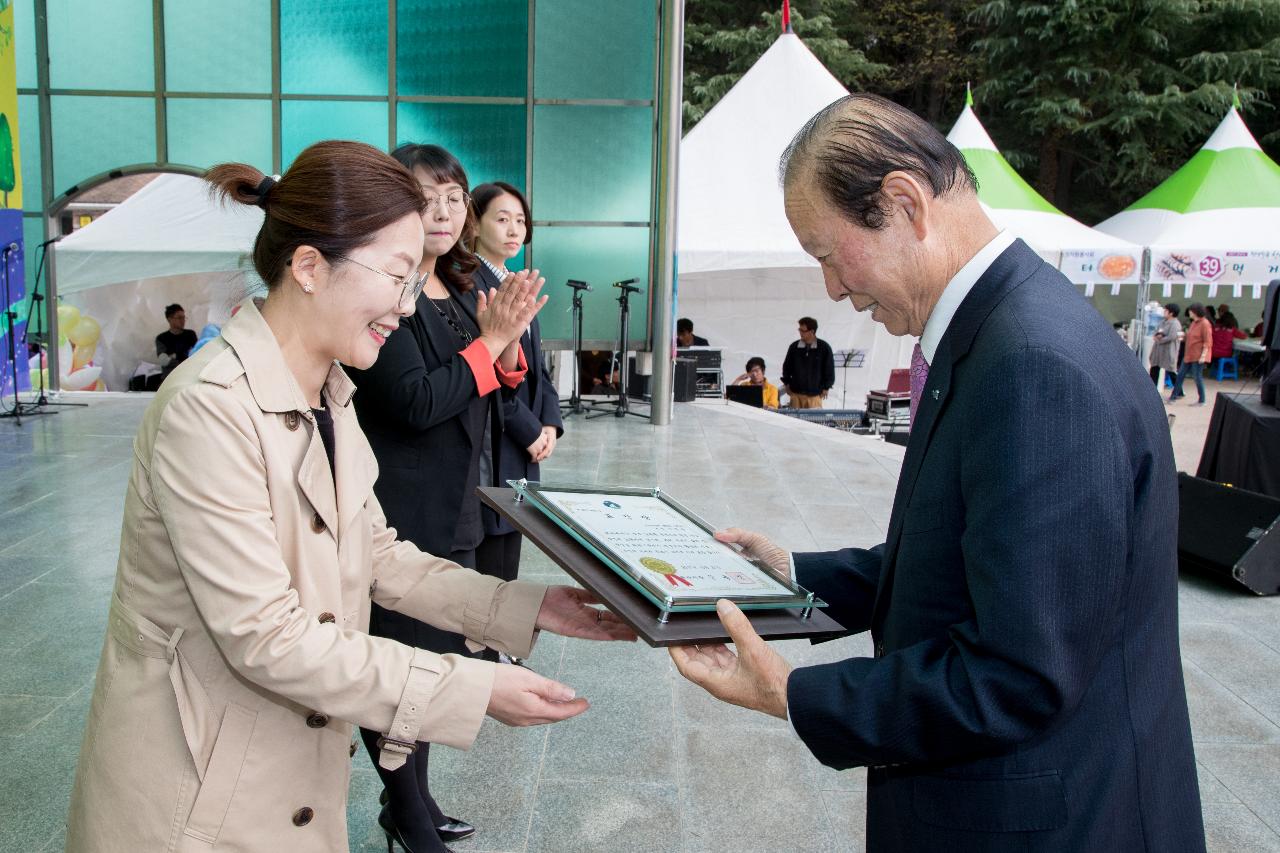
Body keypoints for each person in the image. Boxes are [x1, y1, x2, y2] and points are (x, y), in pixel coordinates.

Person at [64, 141, 637, 853]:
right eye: (396, 275)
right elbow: (266, 636)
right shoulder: (208, 408)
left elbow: (377, 552)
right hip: (195, 801)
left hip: (286, 780)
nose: (406, 305)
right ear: (308, 266)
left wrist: (523, 607)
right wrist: (471, 689)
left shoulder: (330, 392)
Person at [669, 94, 1204, 852]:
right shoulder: (1004, 331)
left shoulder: (1030, 364)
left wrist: (794, 693)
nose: (830, 288)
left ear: (903, 202)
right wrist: (789, 574)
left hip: (1047, 821)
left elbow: (1018, 671)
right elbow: (979, 554)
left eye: (827, 252)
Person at [343, 145, 549, 852]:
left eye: (454, 196)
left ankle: (414, 801)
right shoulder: (391, 293)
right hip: (405, 507)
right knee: (404, 667)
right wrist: (489, 347)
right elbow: (414, 400)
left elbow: (492, 383)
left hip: (461, 497)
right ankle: (407, 811)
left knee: (434, 664)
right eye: (426, 196)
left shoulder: (458, 290)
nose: (443, 210)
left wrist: (507, 345)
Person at [470, 181, 564, 591]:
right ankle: (490, 647)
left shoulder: (515, 281)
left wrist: (549, 423)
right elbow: (485, 371)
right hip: (498, 435)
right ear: (474, 224)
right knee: (492, 553)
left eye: (520, 220)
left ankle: (501, 649)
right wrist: (529, 430)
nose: (514, 229)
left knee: (513, 541)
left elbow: (537, 367)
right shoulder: (468, 285)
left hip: (524, 439)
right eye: (502, 219)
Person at [780, 316, 834, 408]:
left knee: (813, 421)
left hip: (815, 395)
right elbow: (787, 367)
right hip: (795, 394)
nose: (800, 333)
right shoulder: (794, 347)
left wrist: (826, 387)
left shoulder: (824, 347)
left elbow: (829, 369)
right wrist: (787, 384)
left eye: (803, 330)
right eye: (799, 330)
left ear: (812, 331)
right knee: (794, 422)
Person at [1170, 303, 1213, 405]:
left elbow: (1208, 341)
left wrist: (1203, 355)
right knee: (1180, 375)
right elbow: (1190, 336)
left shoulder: (1205, 323)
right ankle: (1174, 396)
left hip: (1198, 355)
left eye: (1191, 311)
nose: (1189, 313)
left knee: (1197, 377)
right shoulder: (1194, 323)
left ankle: (1202, 400)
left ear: (1195, 312)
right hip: (1189, 354)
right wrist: (1183, 337)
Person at [155, 302, 197, 376]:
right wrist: (183, 357)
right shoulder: (162, 338)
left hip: (189, 375)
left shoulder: (190, 334)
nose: (183, 320)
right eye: (179, 317)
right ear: (169, 319)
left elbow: (197, 355)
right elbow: (164, 361)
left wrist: (173, 356)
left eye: (184, 317)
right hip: (170, 378)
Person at [1148, 302, 1181, 387]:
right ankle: (1152, 389)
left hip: (1168, 350)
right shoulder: (1162, 322)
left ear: (1171, 313)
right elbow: (1157, 331)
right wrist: (1156, 336)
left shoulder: (1175, 324)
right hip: (1158, 351)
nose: (1164, 312)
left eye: (1166, 310)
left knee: (1171, 371)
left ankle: (1178, 390)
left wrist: (1160, 340)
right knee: (1154, 369)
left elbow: (1172, 336)